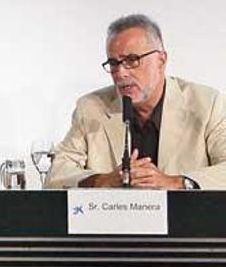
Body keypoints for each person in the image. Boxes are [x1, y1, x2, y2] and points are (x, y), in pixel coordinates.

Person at [47, 14, 226, 190]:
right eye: (113, 63)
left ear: (161, 61)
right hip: (113, 217)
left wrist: (177, 182)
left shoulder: (207, 104)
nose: (120, 73)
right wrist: (102, 181)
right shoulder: (91, 108)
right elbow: (56, 174)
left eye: (132, 60)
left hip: (184, 218)